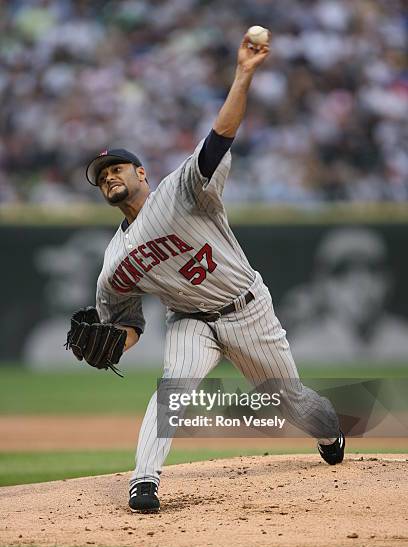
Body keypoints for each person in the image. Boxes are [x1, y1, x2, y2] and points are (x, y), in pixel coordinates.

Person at [67, 33, 344, 513]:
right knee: (173, 385)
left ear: (142, 174)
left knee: (292, 402)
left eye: (117, 168)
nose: (110, 176)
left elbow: (218, 139)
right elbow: (127, 324)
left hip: (247, 309)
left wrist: (243, 75)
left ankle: (332, 430)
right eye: (102, 176)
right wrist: (116, 342)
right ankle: (144, 482)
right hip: (191, 321)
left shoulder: (181, 192)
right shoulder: (115, 262)